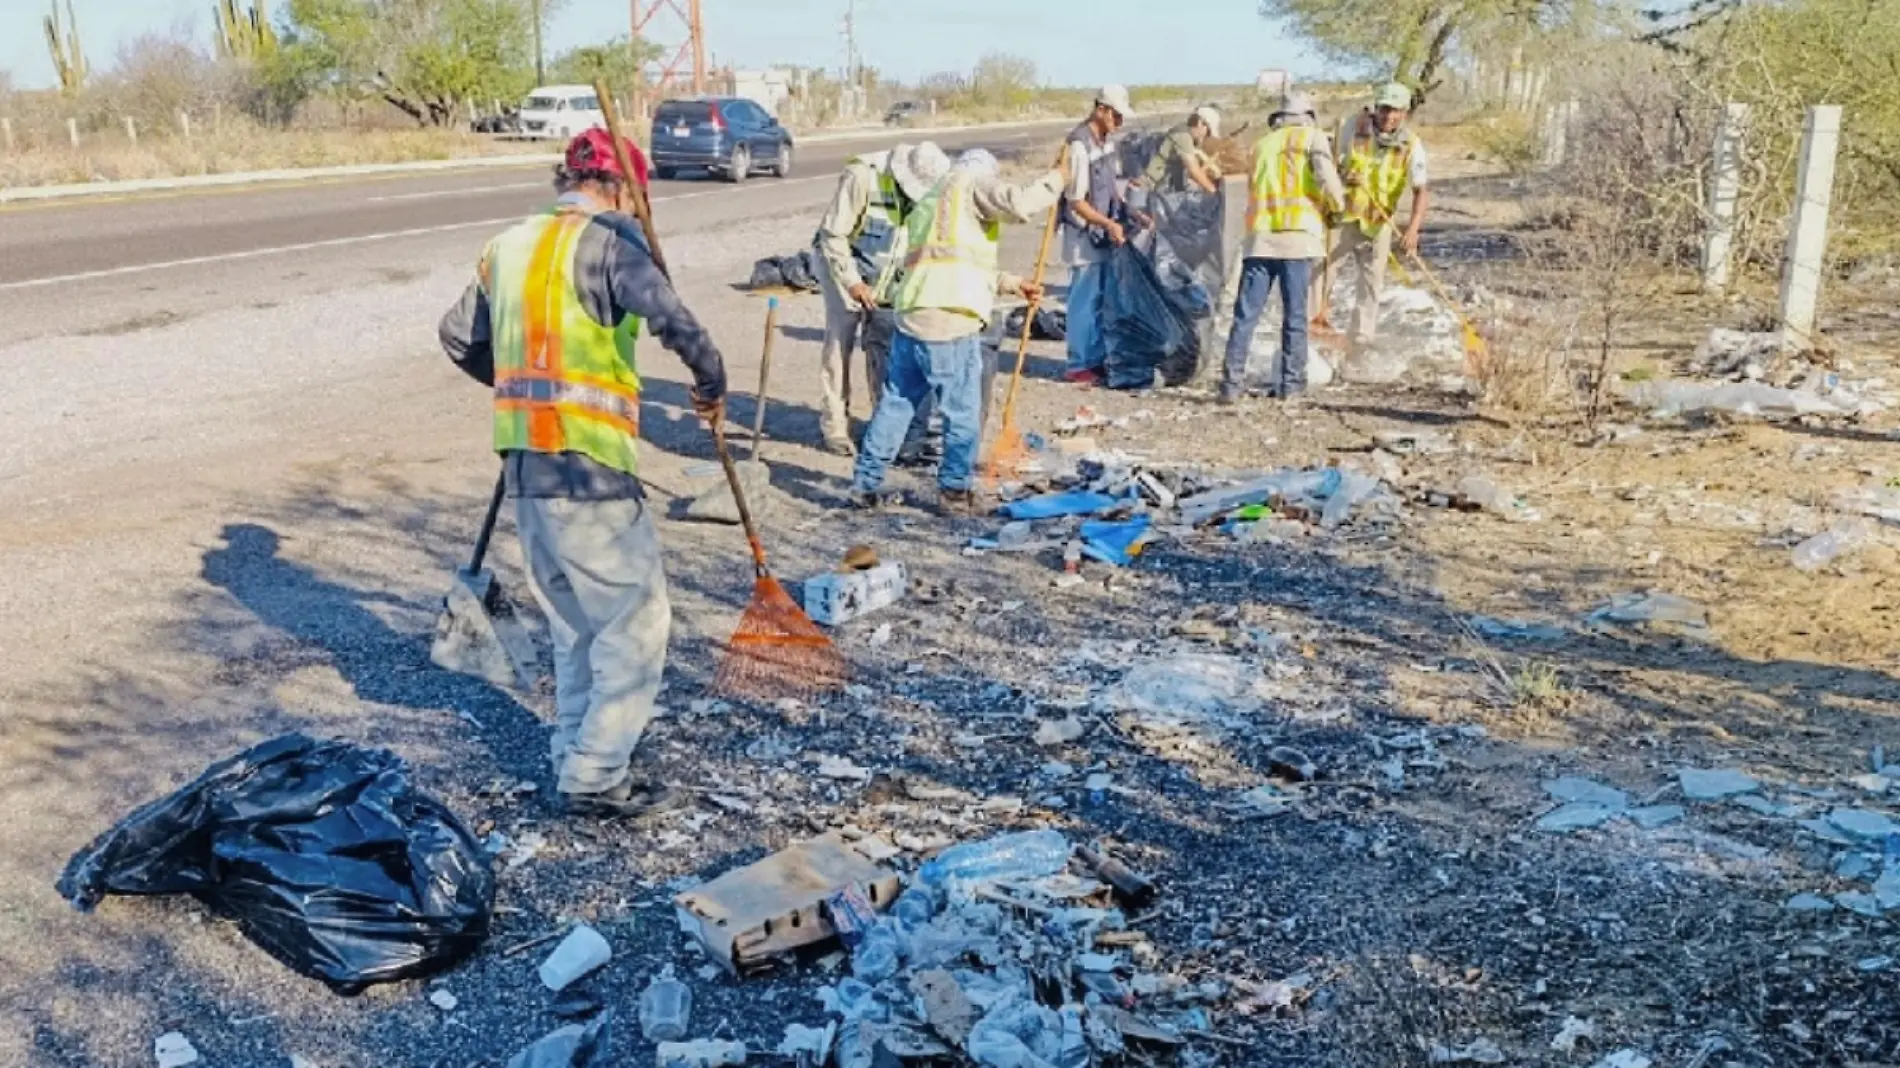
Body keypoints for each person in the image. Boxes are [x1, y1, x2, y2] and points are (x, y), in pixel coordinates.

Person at [438, 129, 728, 819]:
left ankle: (574, 754)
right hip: (588, 466)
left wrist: (516, 385)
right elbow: (674, 319)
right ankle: (596, 774)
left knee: (575, 625)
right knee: (635, 623)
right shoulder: (610, 242)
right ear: (621, 188)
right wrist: (711, 381)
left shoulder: (507, 246)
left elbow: (457, 336)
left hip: (527, 467)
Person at [852, 149, 1066, 514]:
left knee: (896, 403)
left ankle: (864, 484)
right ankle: (954, 491)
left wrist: (1012, 283)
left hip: (913, 314)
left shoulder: (928, 202)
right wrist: (1059, 177)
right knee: (962, 411)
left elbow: (954, 262)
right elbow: (1018, 203)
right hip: (950, 320)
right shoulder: (971, 183)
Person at [812, 142, 951, 456]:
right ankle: (835, 425)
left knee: (885, 344)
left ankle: (883, 422)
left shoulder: (932, 190)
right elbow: (832, 235)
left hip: (888, 274)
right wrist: (853, 283)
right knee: (839, 345)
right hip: (842, 267)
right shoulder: (862, 176)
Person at [1219, 91, 1345, 403]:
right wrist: (1337, 207)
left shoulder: (1261, 145)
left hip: (1260, 239)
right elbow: (1327, 180)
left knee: (1246, 315)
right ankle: (1292, 386)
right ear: (1308, 117)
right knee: (1296, 316)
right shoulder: (1312, 138)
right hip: (1297, 239)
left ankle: (1230, 385)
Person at [1321, 81, 1431, 356]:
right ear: (1376, 109)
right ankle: (1315, 329)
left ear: (1404, 113)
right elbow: (1328, 166)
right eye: (1384, 109)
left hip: (1379, 223)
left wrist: (1413, 230)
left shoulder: (1412, 146)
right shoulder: (1352, 128)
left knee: (1371, 284)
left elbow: (1421, 190)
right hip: (1344, 217)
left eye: (1395, 111)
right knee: (1321, 276)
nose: (1389, 116)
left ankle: (1359, 343)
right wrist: (1344, 175)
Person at [1059, 85, 1137, 386]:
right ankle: (1078, 364)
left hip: (1102, 231)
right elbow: (1076, 201)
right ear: (1101, 110)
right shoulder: (1079, 146)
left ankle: (1096, 359)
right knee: (1083, 298)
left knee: (1100, 299)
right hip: (1083, 234)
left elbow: (1110, 187)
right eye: (1116, 116)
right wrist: (1107, 224)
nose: (1120, 123)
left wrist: (1128, 212)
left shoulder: (1105, 143)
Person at [1142, 105, 1222, 195]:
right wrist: (1213, 190)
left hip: (1161, 188)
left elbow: (1195, 170)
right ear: (1200, 123)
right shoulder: (1183, 136)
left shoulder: (1186, 134)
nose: (1206, 136)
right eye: (1208, 132)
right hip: (1149, 188)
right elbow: (1194, 170)